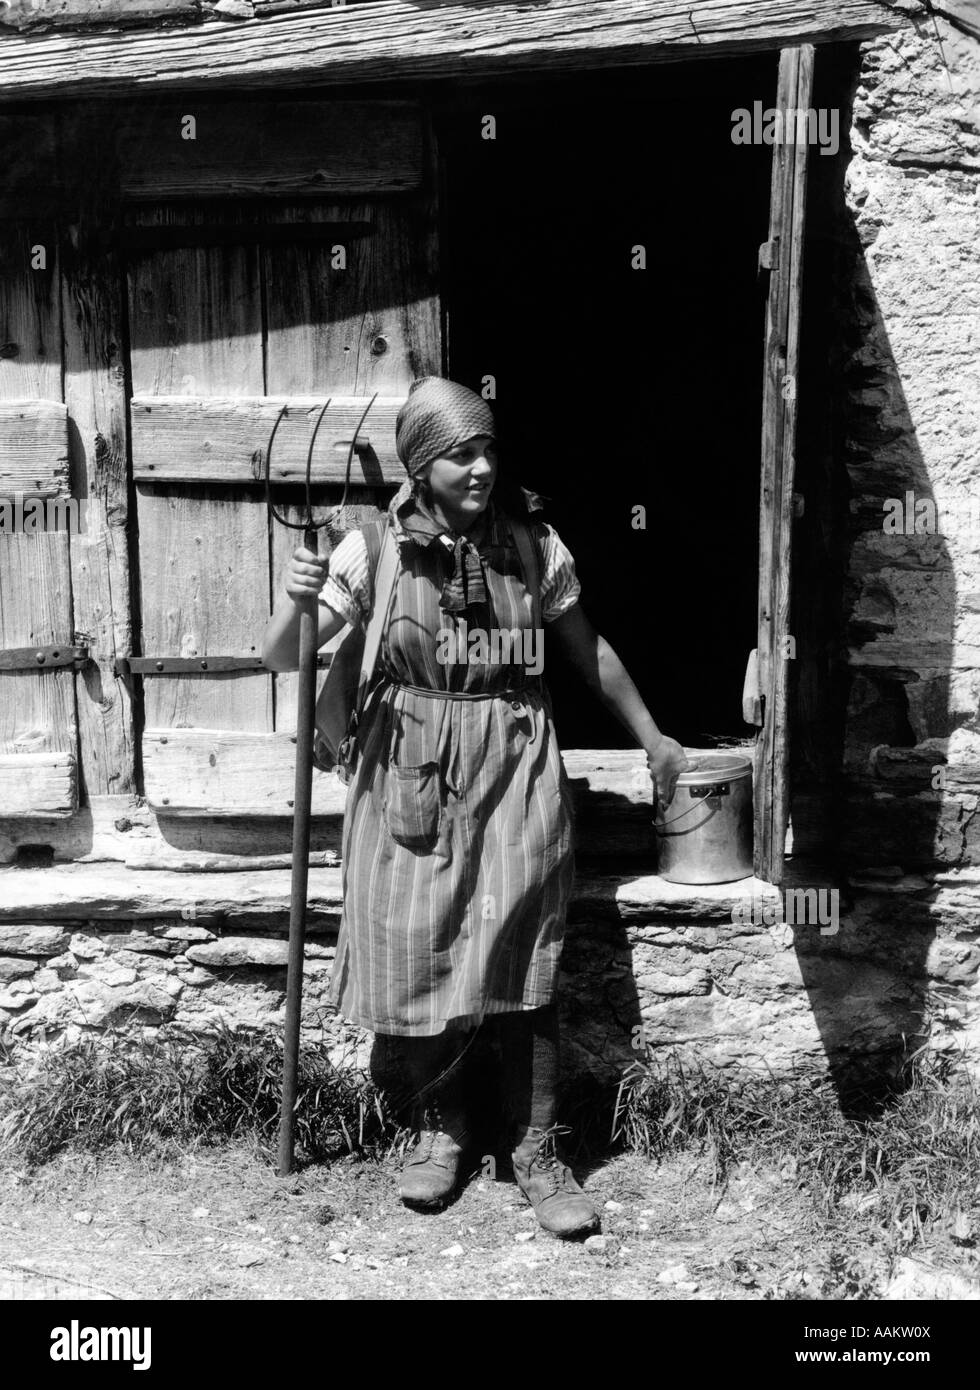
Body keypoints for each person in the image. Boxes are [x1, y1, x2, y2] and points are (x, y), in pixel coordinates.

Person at [262, 378, 690, 1237]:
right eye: (461, 455)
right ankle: (440, 1132)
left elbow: (585, 648)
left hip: (516, 757)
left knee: (524, 944)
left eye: (489, 449)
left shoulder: (534, 545)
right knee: (416, 946)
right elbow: (281, 657)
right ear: (422, 466)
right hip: (409, 764)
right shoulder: (373, 548)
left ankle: (537, 1150)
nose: (483, 467)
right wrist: (300, 596)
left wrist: (654, 736)